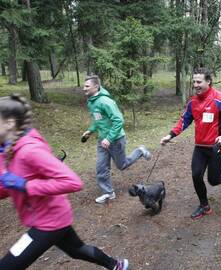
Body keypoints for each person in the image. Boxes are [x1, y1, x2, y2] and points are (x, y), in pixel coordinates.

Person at [0, 94, 128, 270]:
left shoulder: (29, 151)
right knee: (77, 250)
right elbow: (8, 184)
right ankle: (117, 265)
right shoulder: (8, 150)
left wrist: (25, 186)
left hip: (48, 221)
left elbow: (73, 182)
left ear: (9, 123)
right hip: (48, 215)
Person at [160, 67, 221, 220]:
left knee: (213, 179)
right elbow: (184, 120)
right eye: (194, 82)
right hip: (200, 146)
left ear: (208, 81)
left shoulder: (220, 99)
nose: (196, 85)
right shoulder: (193, 102)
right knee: (196, 175)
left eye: (199, 82)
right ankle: (204, 205)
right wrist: (170, 135)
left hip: (218, 146)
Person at [82, 75, 151, 204]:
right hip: (102, 140)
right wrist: (90, 130)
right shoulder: (92, 101)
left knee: (122, 165)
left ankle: (140, 151)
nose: (83, 88)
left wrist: (109, 138)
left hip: (116, 139)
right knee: (101, 167)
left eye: (87, 86)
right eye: (84, 86)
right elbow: (98, 119)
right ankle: (108, 192)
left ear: (96, 87)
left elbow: (119, 120)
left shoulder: (105, 101)